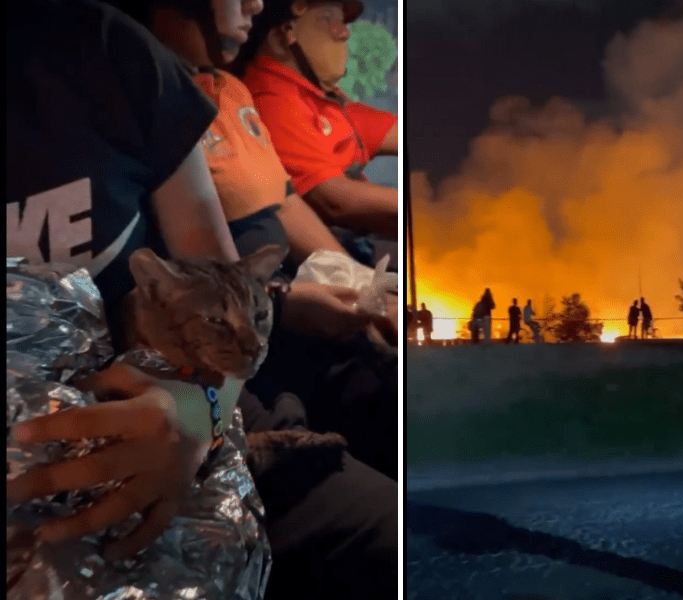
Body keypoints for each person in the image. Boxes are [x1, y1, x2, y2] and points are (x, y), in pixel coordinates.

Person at [7, 2, 397, 597]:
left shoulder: (109, 52)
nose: (260, 3)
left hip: (198, 409)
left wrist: (199, 418)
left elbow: (225, 284)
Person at [233, 0, 398, 245]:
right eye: (326, 19)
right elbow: (334, 200)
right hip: (322, 262)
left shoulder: (321, 98)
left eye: (341, 21)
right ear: (281, 39)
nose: (344, 32)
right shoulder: (272, 100)